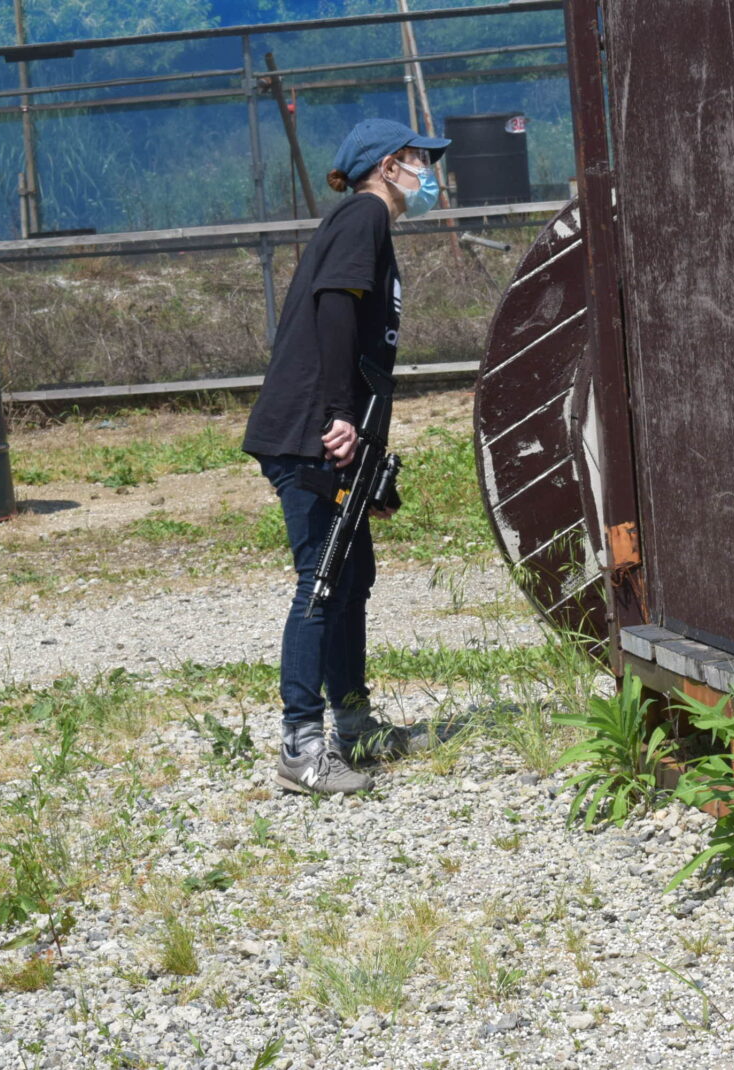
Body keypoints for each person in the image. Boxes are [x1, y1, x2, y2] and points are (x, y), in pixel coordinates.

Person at [241, 118, 449, 796]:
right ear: (388, 165)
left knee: (352, 577)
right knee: (323, 580)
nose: (427, 171)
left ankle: (354, 726)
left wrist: (369, 455)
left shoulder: (366, 224)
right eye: (419, 158)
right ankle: (301, 749)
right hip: (309, 432)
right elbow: (334, 307)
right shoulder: (363, 215)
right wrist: (338, 414)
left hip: (331, 435)